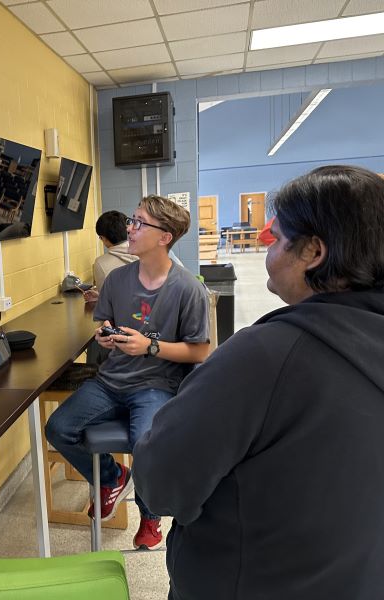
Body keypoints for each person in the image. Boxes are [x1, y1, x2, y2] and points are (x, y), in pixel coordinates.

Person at [133, 165, 384, 599]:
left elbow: (161, 484)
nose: (268, 244)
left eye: (278, 238)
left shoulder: (264, 357)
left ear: (314, 252)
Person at [45, 194, 210, 550]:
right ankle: (111, 477)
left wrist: (150, 346)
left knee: (144, 444)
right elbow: (104, 321)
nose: (129, 229)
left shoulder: (188, 289)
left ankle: (150, 515)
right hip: (110, 381)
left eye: (138, 223)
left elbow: (200, 350)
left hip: (157, 384)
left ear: (164, 237)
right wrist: (105, 334)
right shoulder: (116, 279)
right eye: (131, 221)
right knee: (58, 428)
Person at [83, 210, 185, 303]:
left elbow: (110, 300)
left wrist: (102, 297)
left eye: (138, 223)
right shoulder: (156, 251)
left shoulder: (101, 263)